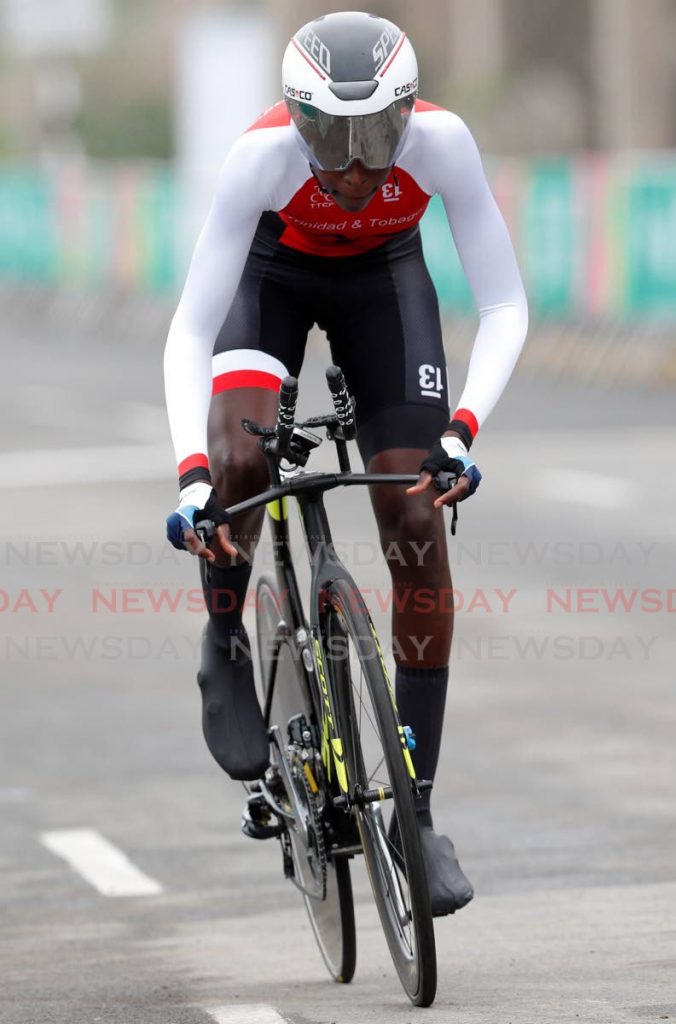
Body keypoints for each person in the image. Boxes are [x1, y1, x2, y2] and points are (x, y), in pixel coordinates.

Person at [164, 11, 528, 916]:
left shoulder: (444, 144)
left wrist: (463, 432)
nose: (360, 166)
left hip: (384, 285)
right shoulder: (259, 161)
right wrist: (192, 478)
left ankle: (418, 816)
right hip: (269, 280)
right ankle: (224, 642)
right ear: (297, 120)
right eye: (333, 136)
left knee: (416, 521)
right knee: (243, 460)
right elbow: (189, 334)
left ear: (409, 116)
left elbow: (507, 305)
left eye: (379, 136)